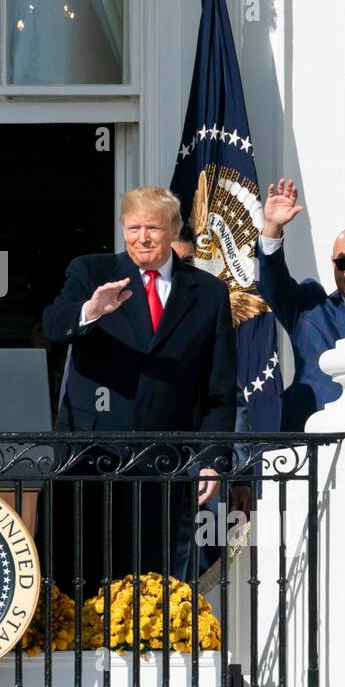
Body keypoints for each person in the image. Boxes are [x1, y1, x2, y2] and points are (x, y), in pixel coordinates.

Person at [40, 187, 238, 595]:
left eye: (152, 228)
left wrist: (211, 459)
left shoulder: (209, 293)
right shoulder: (92, 272)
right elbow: (55, 325)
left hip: (169, 460)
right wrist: (90, 311)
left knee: (161, 584)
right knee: (85, 578)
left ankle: (154, 656)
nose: (142, 238)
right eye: (133, 228)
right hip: (92, 457)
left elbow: (219, 388)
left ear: (174, 230)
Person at [256, 178, 345, 430]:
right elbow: (273, 284)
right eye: (344, 262)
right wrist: (272, 228)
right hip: (310, 439)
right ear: (333, 264)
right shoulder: (311, 307)